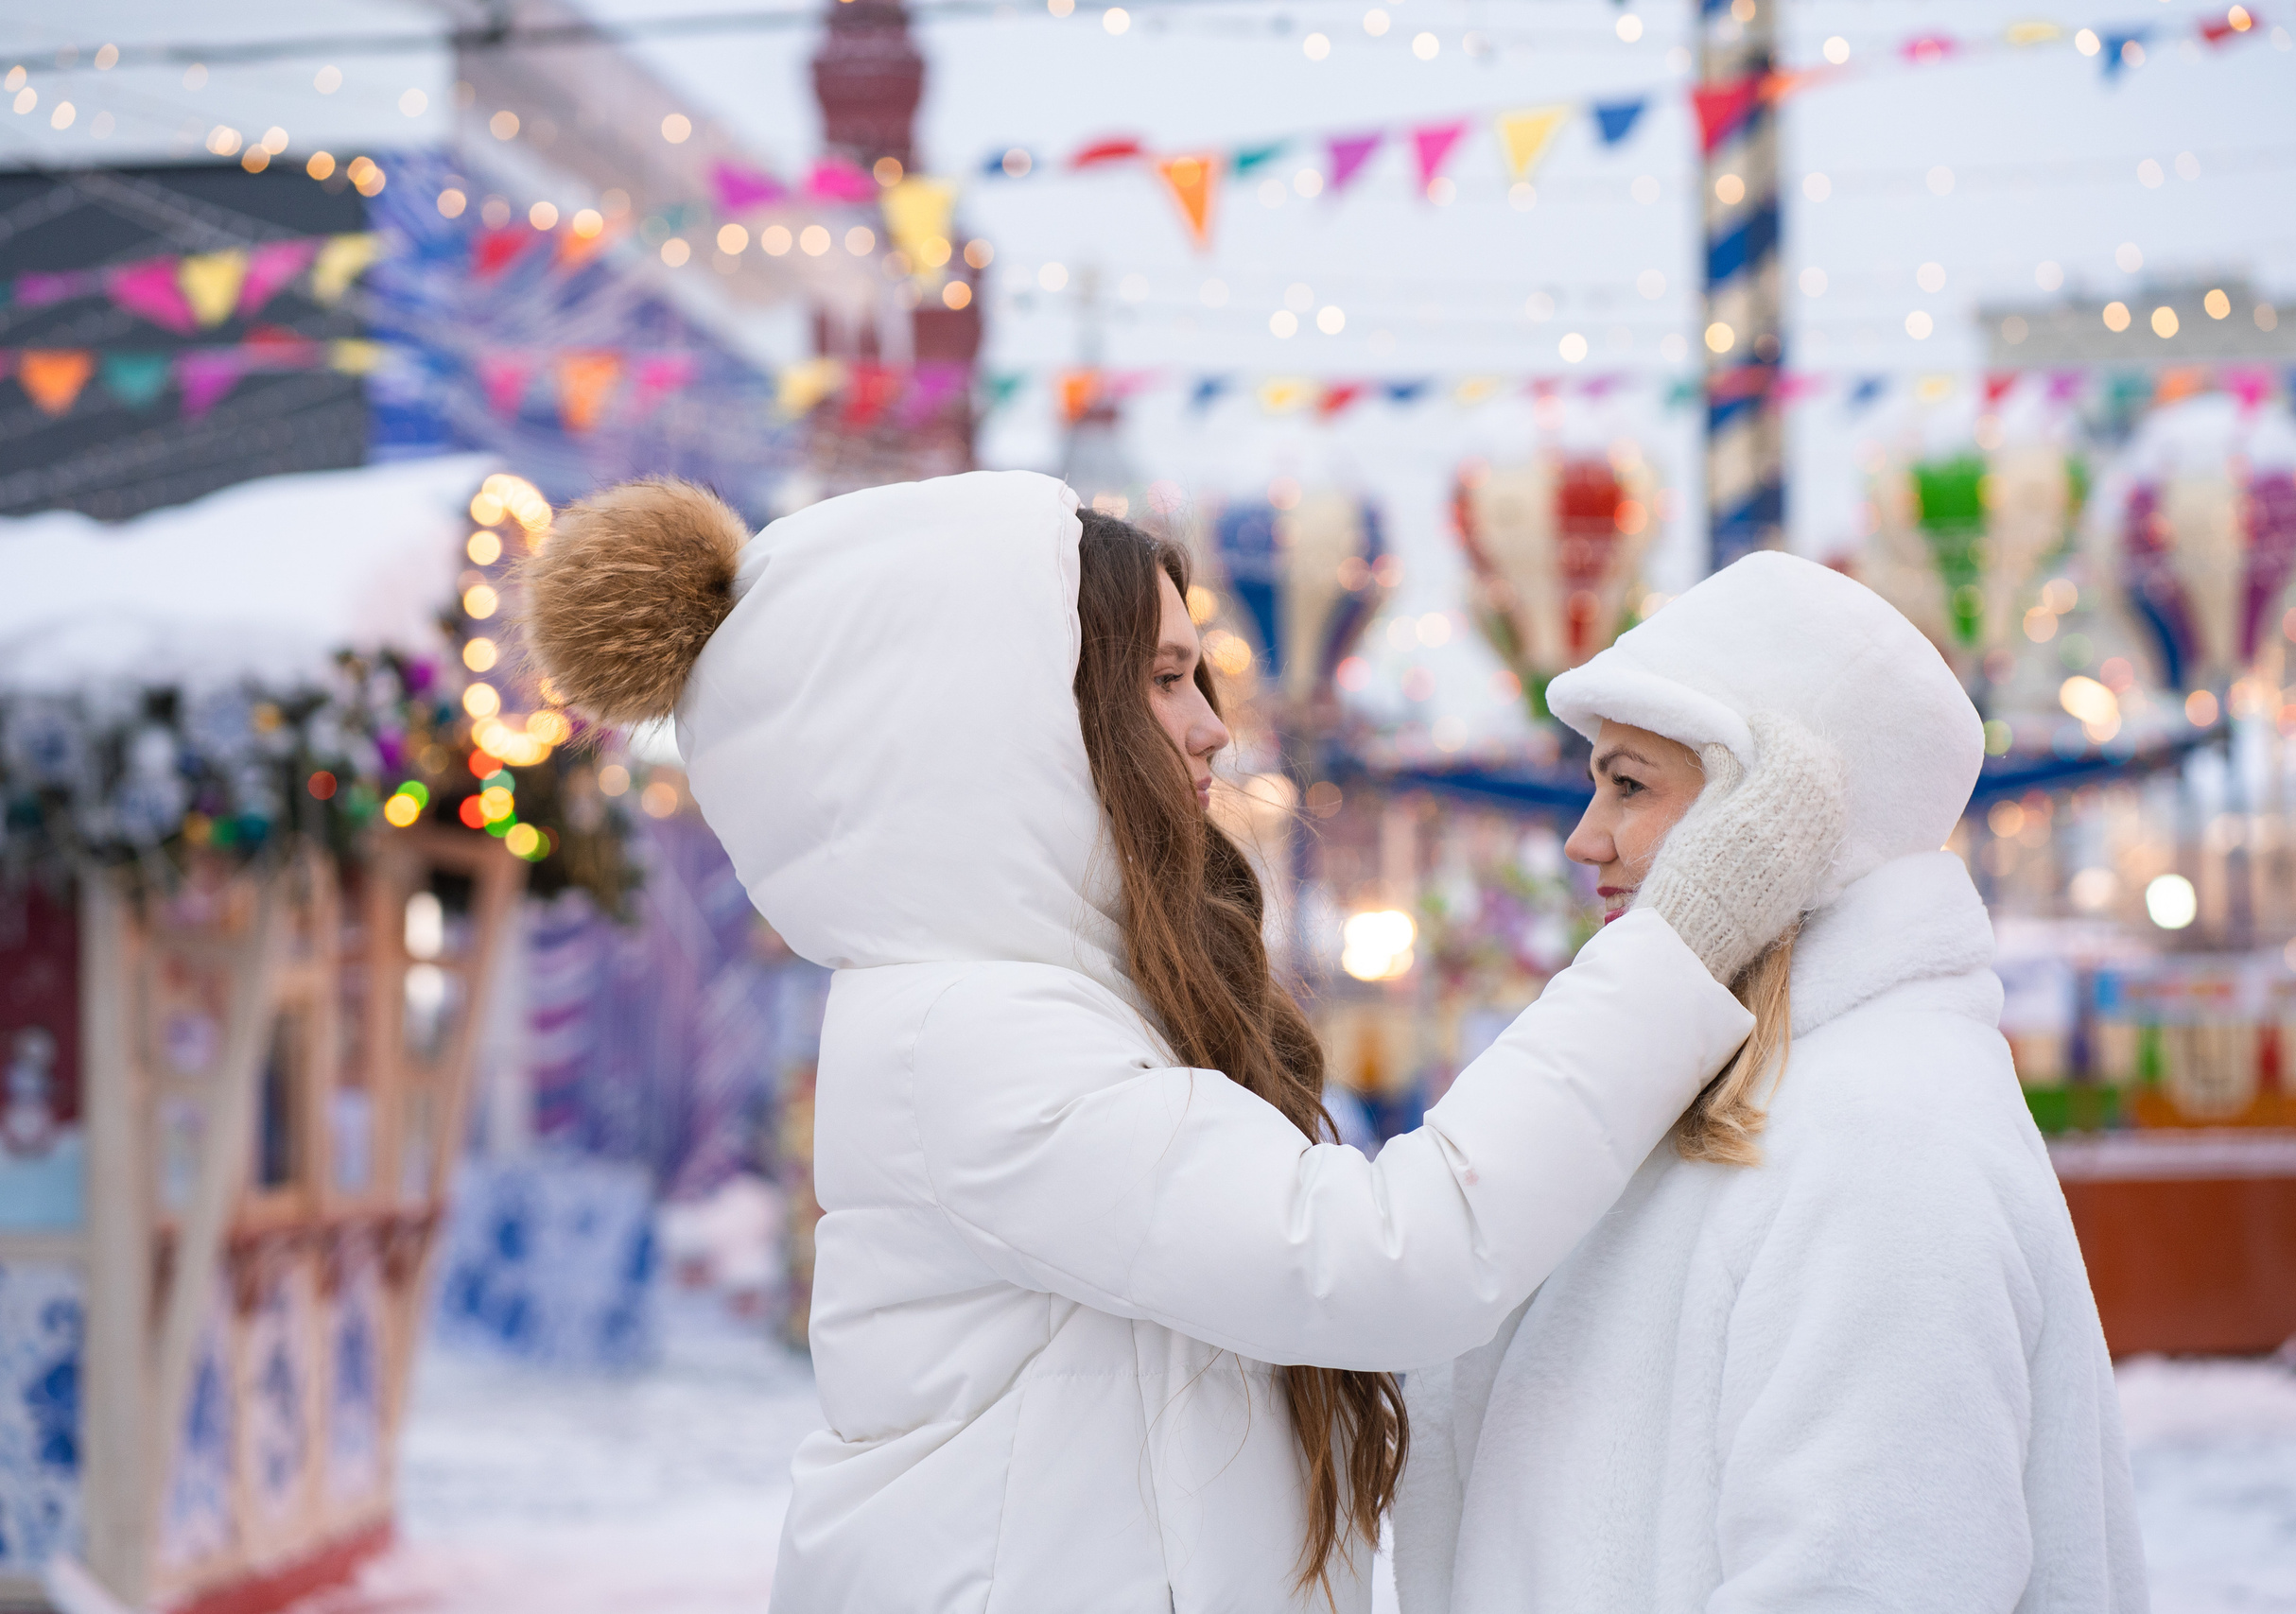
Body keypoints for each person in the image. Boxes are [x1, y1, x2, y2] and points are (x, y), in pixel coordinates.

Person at [519, 471, 1840, 1613]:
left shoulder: (1062, 1002)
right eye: (1163, 677)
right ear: (1004, 721)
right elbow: (1386, 1257)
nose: (1212, 722)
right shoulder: (970, 1037)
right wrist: (1676, 946)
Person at [1391, 551, 2148, 1614]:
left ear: (1784, 820)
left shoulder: (1886, 1139)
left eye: (1629, 784)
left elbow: (1868, 1578)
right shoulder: (1709, 1102)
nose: (1581, 838)